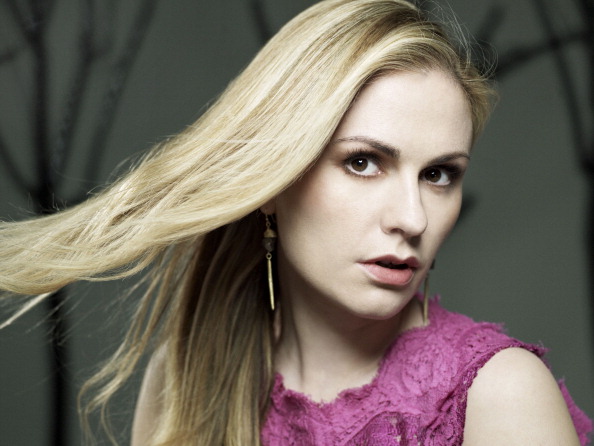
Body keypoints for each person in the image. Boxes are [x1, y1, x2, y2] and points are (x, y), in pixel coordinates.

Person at [0, 0, 591, 445]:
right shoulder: (188, 380)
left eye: (439, 174)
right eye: (363, 162)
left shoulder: (499, 396)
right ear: (274, 179)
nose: (413, 218)